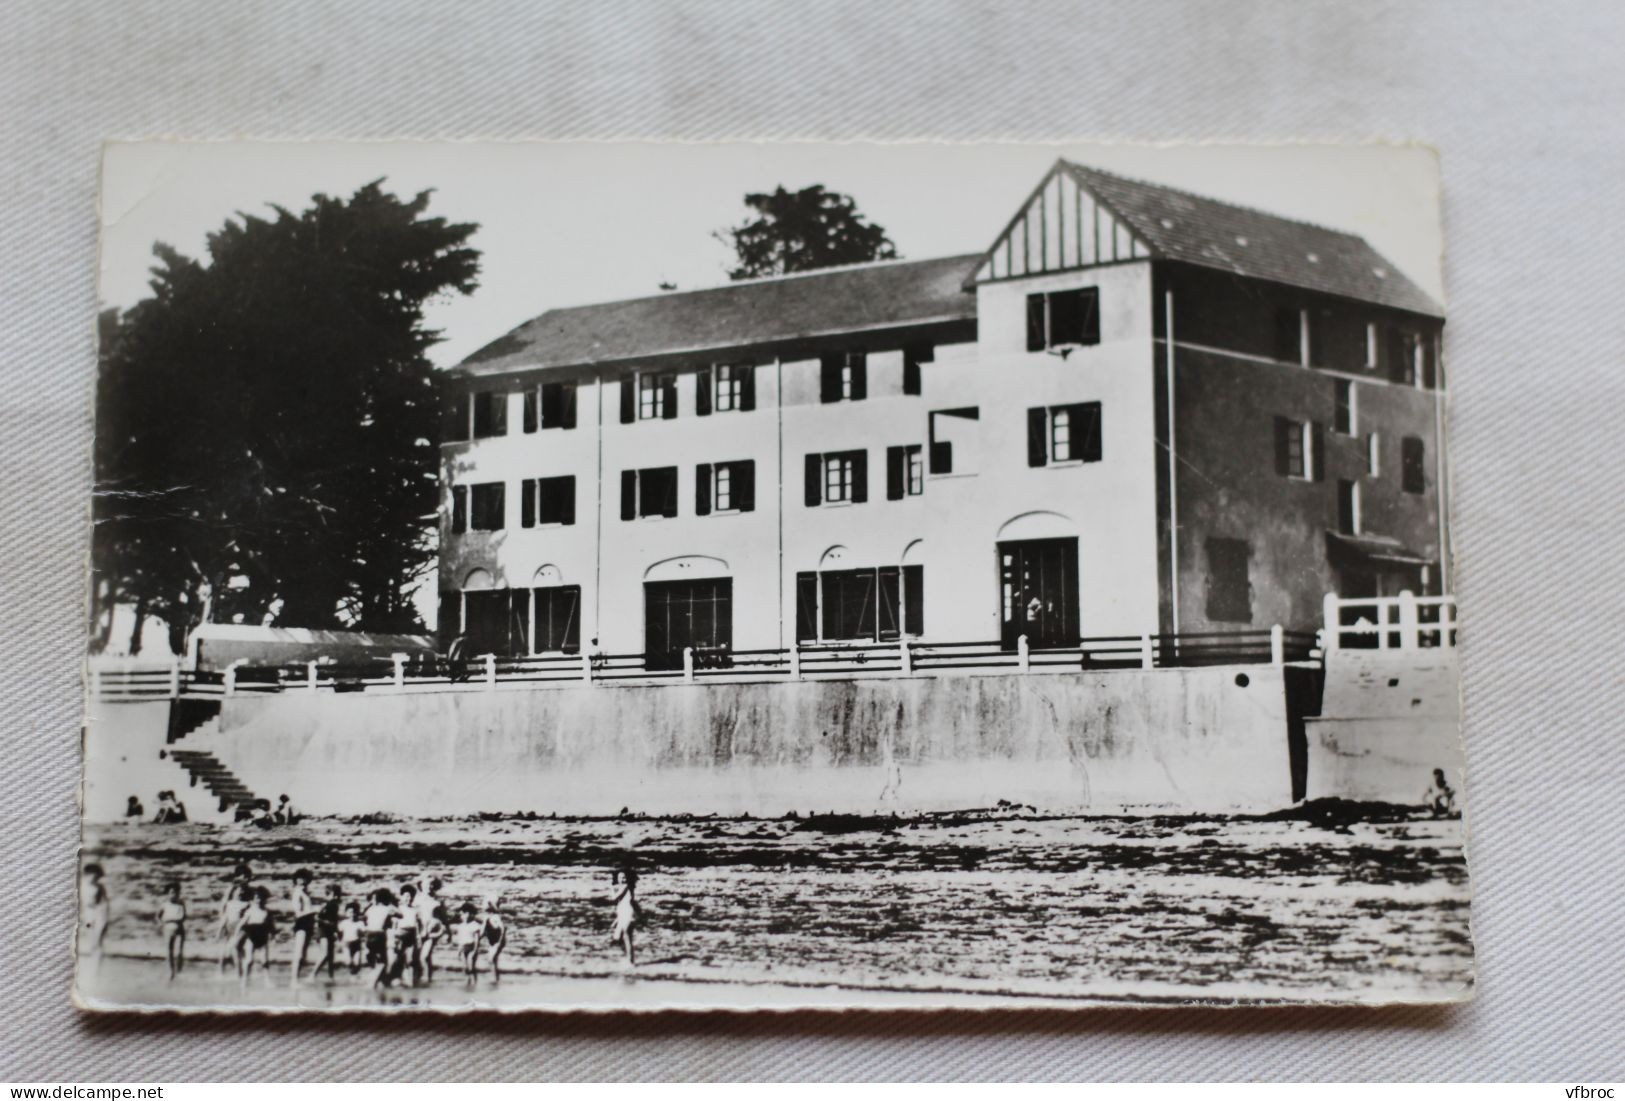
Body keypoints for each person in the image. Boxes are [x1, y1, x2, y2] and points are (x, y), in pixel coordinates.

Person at [234, 886, 275, 980]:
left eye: (261, 898)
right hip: (251, 936)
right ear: (253, 899)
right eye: (256, 898)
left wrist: (273, 935)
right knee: (249, 960)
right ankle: (244, 980)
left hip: (262, 936)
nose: (259, 900)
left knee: (264, 960)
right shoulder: (250, 911)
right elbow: (241, 923)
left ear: (265, 899)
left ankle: (267, 980)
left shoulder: (267, 912)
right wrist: (236, 935)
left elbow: (271, 925)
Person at [389, 882, 424, 986]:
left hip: (411, 934)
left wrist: (418, 938)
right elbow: (394, 924)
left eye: (411, 896)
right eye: (406, 896)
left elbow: (418, 925)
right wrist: (392, 938)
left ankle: (411, 981)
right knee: (397, 958)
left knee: (410, 959)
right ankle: (395, 979)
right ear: (402, 896)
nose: (409, 898)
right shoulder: (398, 909)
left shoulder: (415, 910)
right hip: (399, 935)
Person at [288, 868, 318, 984]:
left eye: (304, 878)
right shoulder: (297, 892)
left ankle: (296, 979)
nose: (302, 881)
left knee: (303, 953)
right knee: (299, 951)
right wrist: (313, 910)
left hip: (308, 921)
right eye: (300, 878)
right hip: (302, 921)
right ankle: (293, 980)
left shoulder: (305, 892)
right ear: (296, 880)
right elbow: (298, 911)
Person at [363, 887, 397, 987]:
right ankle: (372, 983)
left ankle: (378, 982)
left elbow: (365, 917)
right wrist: (392, 905)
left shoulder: (371, 909)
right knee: (383, 962)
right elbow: (400, 915)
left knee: (375, 960)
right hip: (379, 935)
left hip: (369, 934)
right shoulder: (387, 909)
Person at [608, 866, 642, 965]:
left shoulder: (625, 886)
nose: (622, 880)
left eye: (624, 877)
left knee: (627, 937)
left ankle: (630, 961)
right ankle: (629, 958)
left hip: (628, 914)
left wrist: (611, 889)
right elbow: (631, 902)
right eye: (620, 878)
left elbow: (614, 898)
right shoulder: (628, 888)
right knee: (621, 938)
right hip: (624, 914)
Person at [78, 863, 110, 969]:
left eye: (97, 877)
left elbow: (103, 906)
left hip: (97, 916)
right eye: (94, 876)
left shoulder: (98, 888)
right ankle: (92, 964)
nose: (95, 879)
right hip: (88, 916)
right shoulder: (81, 885)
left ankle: (95, 965)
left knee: (95, 941)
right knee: (91, 939)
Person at [416, 876, 448, 980]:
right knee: (422, 957)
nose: (429, 886)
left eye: (431, 884)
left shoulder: (438, 901)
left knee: (424, 956)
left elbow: (444, 918)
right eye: (426, 884)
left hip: (433, 930)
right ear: (421, 885)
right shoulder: (416, 899)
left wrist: (448, 933)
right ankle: (425, 979)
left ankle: (426, 979)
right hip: (418, 930)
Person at [217, 881, 253, 972]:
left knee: (236, 948)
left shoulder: (246, 904)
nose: (241, 893)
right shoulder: (229, 903)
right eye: (239, 891)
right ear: (234, 892)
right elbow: (225, 917)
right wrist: (220, 930)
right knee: (226, 950)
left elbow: (248, 918)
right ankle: (222, 971)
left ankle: (240, 972)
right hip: (229, 927)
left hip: (241, 928)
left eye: (242, 891)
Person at [157, 882, 187, 980]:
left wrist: (171, 919)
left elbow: (183, 916)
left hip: (179, 928)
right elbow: (158, 916)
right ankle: (171, 972)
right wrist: (161, 924)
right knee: (169, 951)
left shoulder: (181, 903)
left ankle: (179, 970)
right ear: (168, 894)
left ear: (178, 893)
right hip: (168, 929)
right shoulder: (164, 904)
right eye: (171, 893)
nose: (173, 895)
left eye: (176, 893)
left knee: (179, 950)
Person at [315, 881, 343, 978]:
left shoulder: (331, 905)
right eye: (336, 894)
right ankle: (312, 975)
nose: (338, 897)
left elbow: (332, 920)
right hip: (324, 930)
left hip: (327, 930)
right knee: (326, 954)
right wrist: (331, 926)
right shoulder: (329, 904)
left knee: (330, 956)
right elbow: (320, 918)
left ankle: (331, 977)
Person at [451, 902, 483, 981]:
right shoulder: (461, 926)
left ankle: (473, 983)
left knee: (471, 967)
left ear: (471, 914)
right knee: (465, 968)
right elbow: (460, 940)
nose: (464, 916)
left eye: (466, 914)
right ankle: (468, 986)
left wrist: (475, 951)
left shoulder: (475, 925)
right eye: (463, 914)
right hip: (463, 947)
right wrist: (458, 951)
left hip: (471, 947)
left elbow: (476, 939)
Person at [479, 894, 507, 979]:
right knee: (492, 960)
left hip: (497, 941)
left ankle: (495, 977)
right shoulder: (487, 918)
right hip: (493, 941)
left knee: (491, 959)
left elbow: (502, 928)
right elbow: (482, 931)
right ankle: (495, 977)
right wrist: (478, 938)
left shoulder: (495, 917)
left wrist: (500, 940)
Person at [338, 900, 366, 975]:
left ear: (357, 913)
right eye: (350, 912)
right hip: (346, 944)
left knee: (357, 964)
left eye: (354, 912)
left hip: (356, 944)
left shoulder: (360, 923)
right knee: (348, 962)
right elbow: (339, 934)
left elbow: (364, 934)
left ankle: (354, 977)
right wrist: (340, 943)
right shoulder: (343, 923)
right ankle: (351, 974)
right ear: (346, 913)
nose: (352, 914)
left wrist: (363, 942)